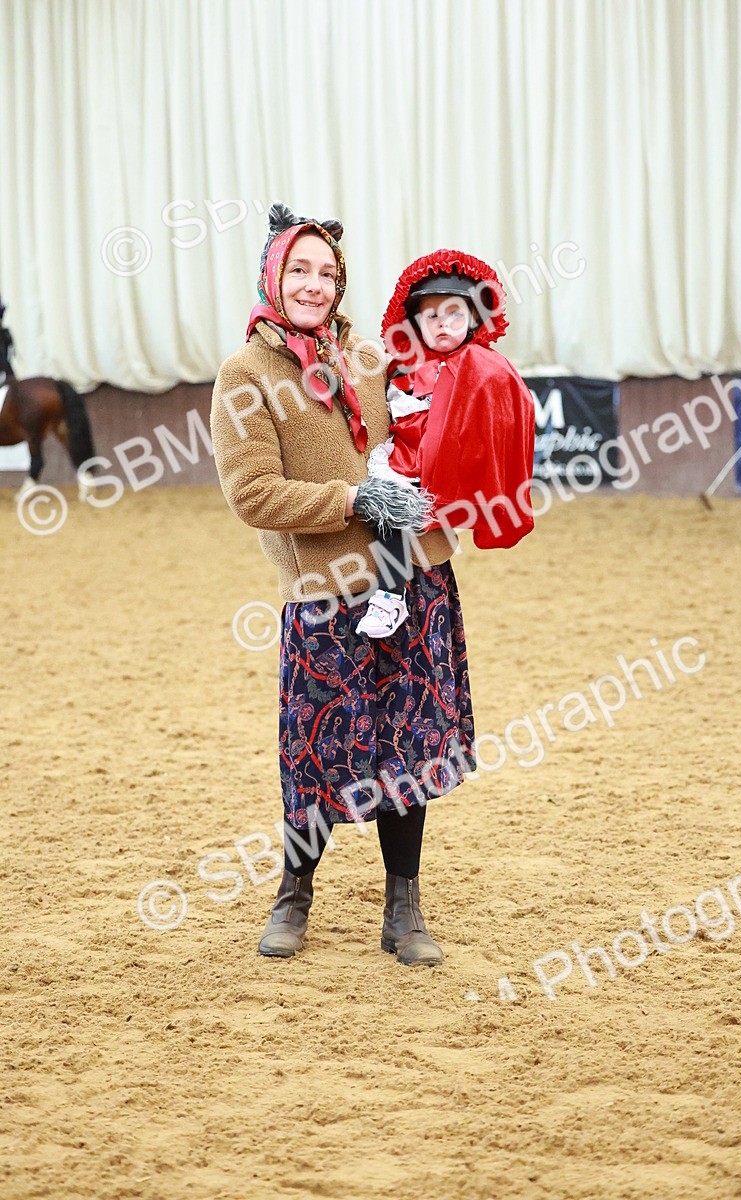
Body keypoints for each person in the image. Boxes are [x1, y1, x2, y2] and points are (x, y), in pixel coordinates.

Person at [210, 204, 476, 967]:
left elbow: (431, 425)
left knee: (412, 744)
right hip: (326, 589)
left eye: (328, 273)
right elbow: (252, 494)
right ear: (272, 273)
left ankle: (404, 908)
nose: (315, 285)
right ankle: (294, 893)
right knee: (317, 751)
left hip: (412, 575)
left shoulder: (372, 354)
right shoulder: (246, 376)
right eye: (300, 269)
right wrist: (355, 499)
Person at [356, 250, 537, 639]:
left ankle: (394, 591)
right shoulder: (400, 367)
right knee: (388, 506)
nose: (442, 324)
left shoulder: (484, 365)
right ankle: (390, 595)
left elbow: (511, 411)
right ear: (415, 322)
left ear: (474, 318)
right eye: (431, 316)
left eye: (454, 314)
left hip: (449, 457)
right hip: (407, 455)